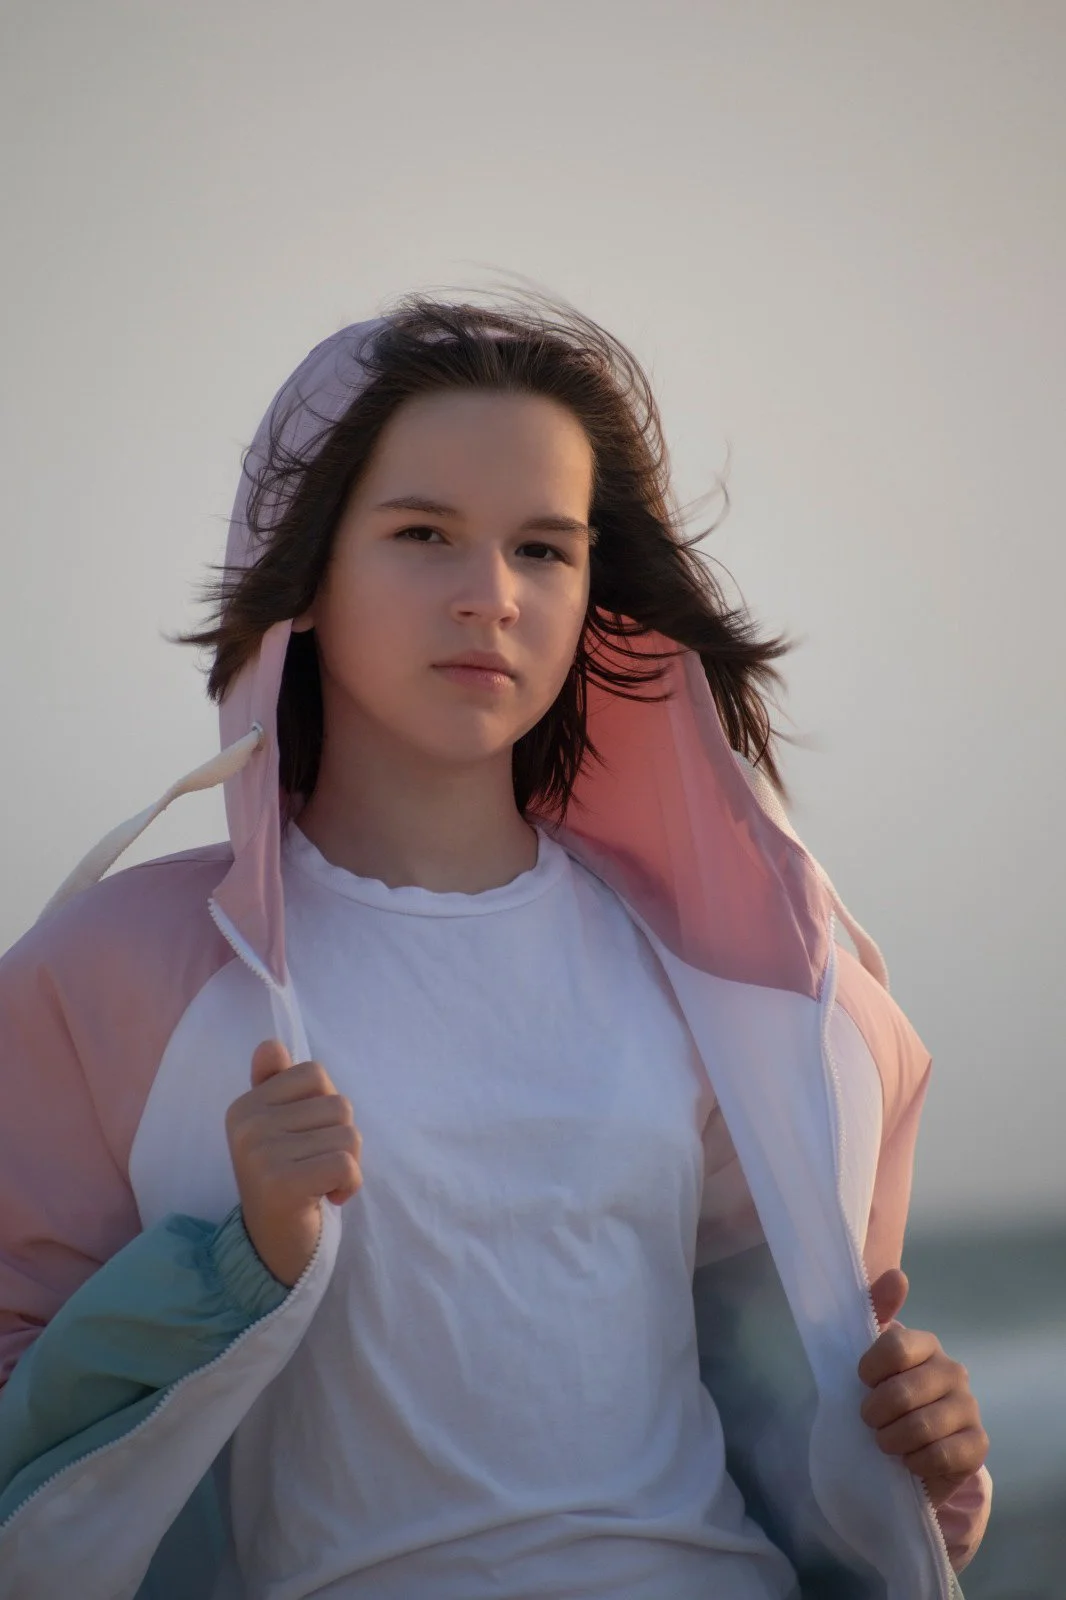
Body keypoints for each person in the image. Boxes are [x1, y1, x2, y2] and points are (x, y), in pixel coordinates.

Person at [0, 291, 990, 1599]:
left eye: (542, 548)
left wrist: (925, 1461)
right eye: (423, 534)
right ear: (312, 569)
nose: (491, 598)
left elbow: (787, 1397)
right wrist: (234, 1263)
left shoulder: (713, 970)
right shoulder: (116, 970)